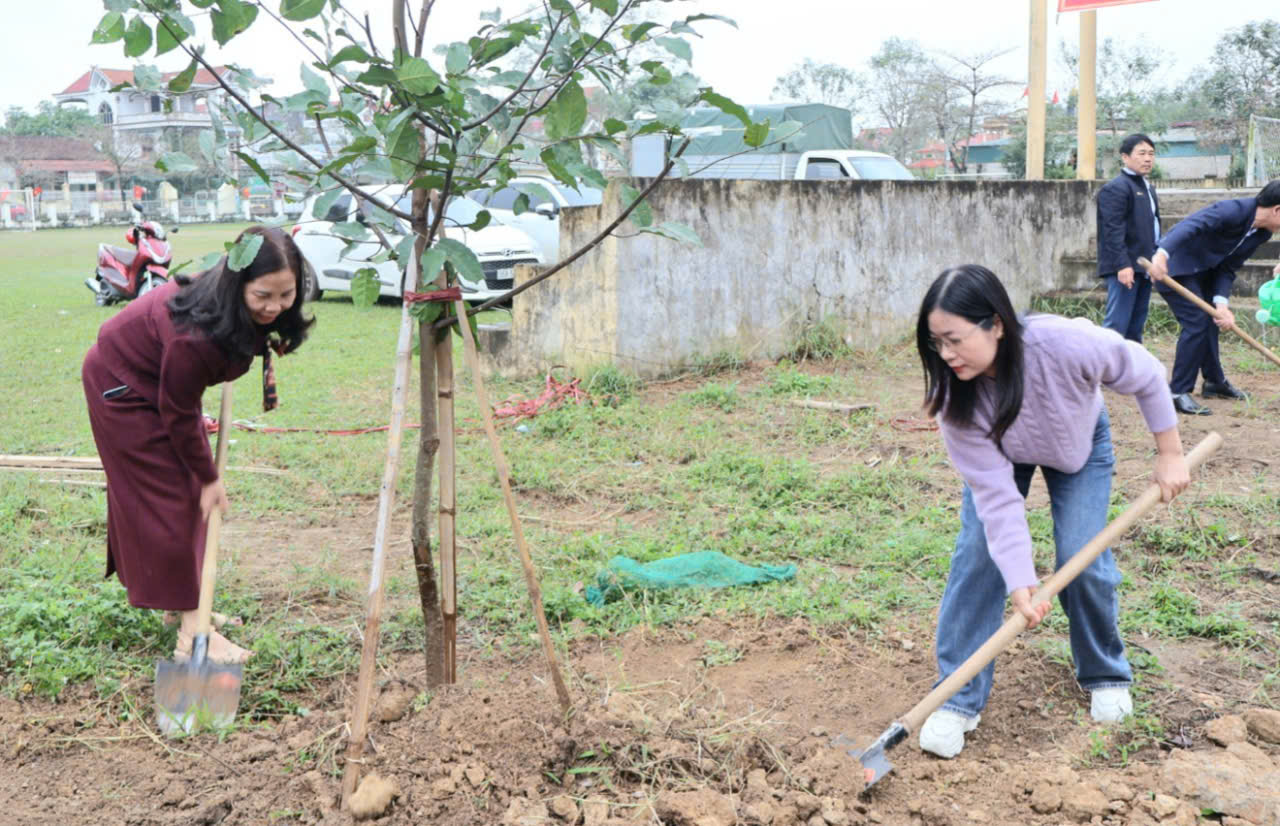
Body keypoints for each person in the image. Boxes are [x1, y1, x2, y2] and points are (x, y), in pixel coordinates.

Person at [915, 265, 1189, 759]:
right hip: (1003, 453)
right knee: (978, 557)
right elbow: (997, 499)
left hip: (1078, 445)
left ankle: (1105, 673)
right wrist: (1020, 580)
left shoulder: (1062, 343)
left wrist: (1169, 452)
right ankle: (958, 698)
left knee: (1082, 558)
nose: (946, 354)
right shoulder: (955, 399)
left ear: (996, 323)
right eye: (937, 343)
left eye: (955, 339)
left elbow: (1145, 372)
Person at [81, 226, 313, 664]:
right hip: (123, 388)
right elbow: (177, 407)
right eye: (263, 295)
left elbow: (183, 392)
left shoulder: (231, 307)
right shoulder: (194, 334)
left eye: (286, 295)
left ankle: (184, 606)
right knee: (173, 500)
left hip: (160, 384)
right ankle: (193, 631)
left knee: (186, 498)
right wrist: (207, 478)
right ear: (237, 283)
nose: (276, 307)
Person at [1145, 180, 1280, 415]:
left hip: (1204, 273)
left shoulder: (1261, 233)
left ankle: (1214, 382)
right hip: (1175, 268)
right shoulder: (1233, 210)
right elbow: (1190, 226)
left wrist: (1221, 305)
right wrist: (1162, 254)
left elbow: (1228, 267)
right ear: (1277, 210)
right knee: (1197, 321)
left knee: (1210, 323)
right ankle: (1177, 392)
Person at [1096, 134, 1160, 342]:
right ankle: (1104, 371)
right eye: (1141, 153)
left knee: (1136, 325)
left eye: (1151, 154)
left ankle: (1133, 372)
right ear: (1125, 157)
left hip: (1144, 266)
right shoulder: (1116, 188)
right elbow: (1112, 230)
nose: (1147, 159)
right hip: (1125, 269)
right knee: (1116, 325)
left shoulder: (1148, 188)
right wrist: (1122, 265)